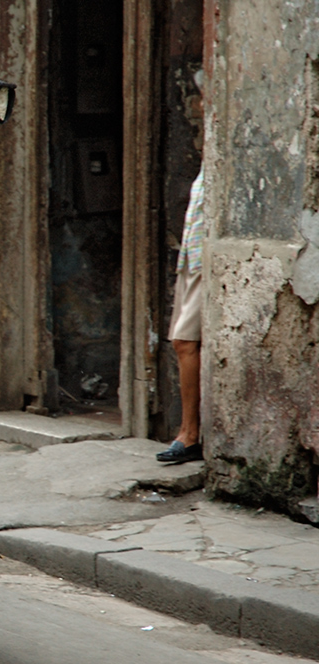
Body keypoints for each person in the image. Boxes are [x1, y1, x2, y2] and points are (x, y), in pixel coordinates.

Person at [158, 70, 205, 464]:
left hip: (205, 261)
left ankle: (190, 433)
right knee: (183, 342)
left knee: (184, 341)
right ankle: (189, 431)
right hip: (195, 260)